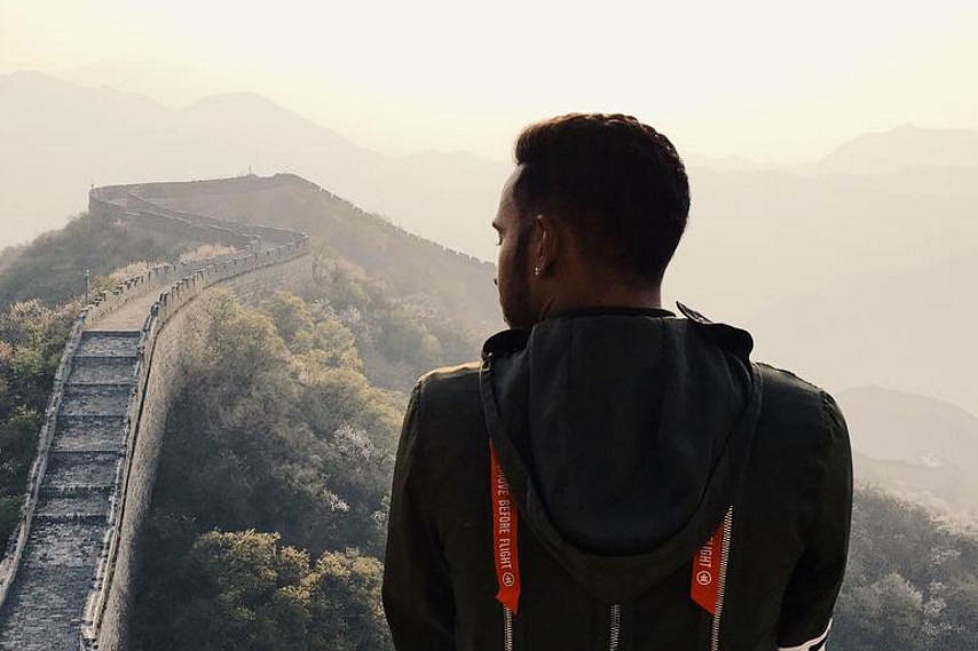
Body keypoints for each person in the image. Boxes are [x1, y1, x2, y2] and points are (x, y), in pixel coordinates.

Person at [382, 113, 852, 651]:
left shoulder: (449, 416)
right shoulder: (801, 427)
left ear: (542, 245)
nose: (497, 265)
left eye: (503, 236)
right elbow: (800, 635)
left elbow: (421, 630)